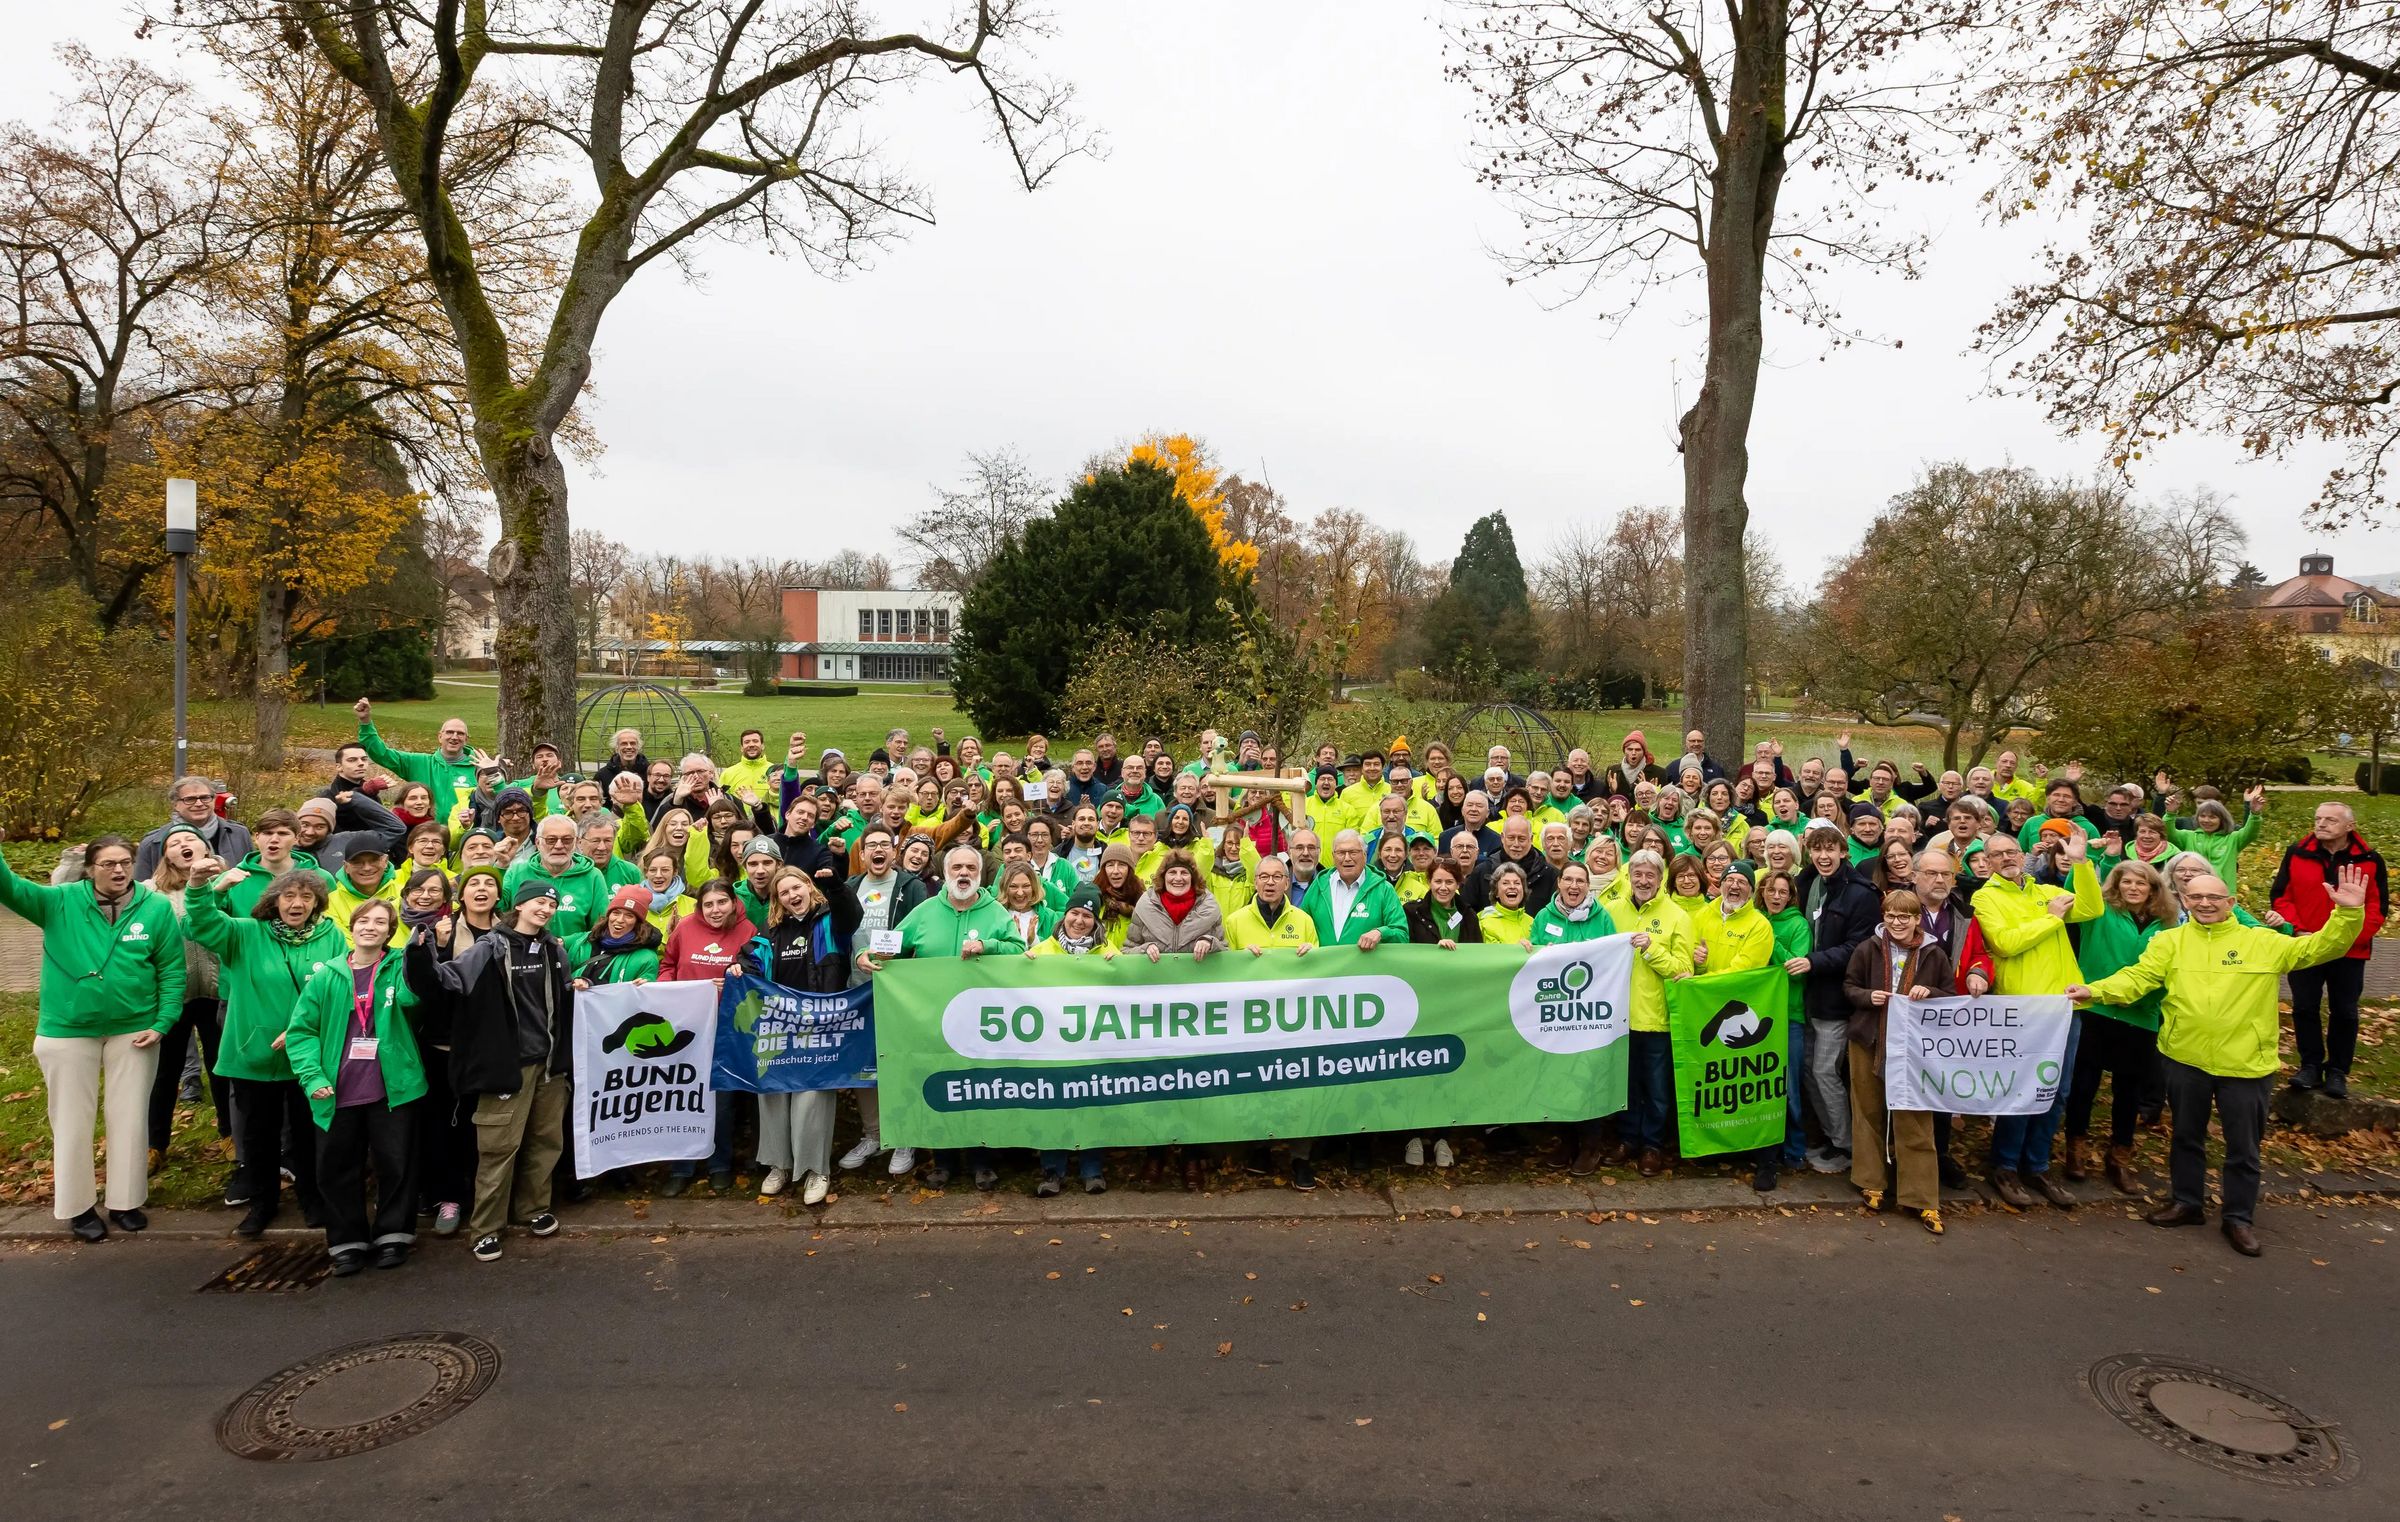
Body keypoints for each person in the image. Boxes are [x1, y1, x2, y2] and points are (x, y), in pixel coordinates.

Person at [2069, 865, 2370, 1257]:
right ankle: (2187, 1202)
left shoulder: (2263, 942)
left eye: (2214, 897)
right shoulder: (2169, 942)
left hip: (2245, 1063)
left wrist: (2347, 913)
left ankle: (2239, 1218)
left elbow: (2319, 948)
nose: (2205, 903)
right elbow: (2136, 978)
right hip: (2185, 1057)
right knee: (2186, 1137)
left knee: (2243, 1148)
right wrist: (2093, 991)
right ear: (2184, 901)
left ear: (2231, 902)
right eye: (2195, 897)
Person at [1, 836, 184, 1241]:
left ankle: (125, 1201)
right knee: (71, 1122)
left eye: (124, 863)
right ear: (89, 867)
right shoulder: (58, 901)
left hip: (135, 1030)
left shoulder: (154, 908)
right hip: (67, 1030)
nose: (117, 871)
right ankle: (78, 1207)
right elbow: (8, 887)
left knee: (130, 1118)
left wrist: (164, 1021)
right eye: (107, 864)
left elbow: (172, 969)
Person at [404, 880, 577, 1263]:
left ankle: (533, 1209)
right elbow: (447, 981)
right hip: (507, 1067)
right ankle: (485, 1228)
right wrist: (419, 954)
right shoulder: (491, 947)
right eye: (537, 902)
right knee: (498, 1149)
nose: (545, 909)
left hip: (550, 1065)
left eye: (550, 904)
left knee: (547, 1142)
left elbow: (563, 994)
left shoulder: (554, 949)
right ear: (519, 905)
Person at [189, 861, 348, 1236]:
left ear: (317, 903)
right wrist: (205, 887)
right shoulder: (244, 933)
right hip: (253, 1055)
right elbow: (199, 923)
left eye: (306, 897)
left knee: (310, 1134)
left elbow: (337, 992)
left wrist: (300, 1031)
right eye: (289, 895)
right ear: (273, 901)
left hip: (308, 1058)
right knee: (258, 1137)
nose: (297, 903)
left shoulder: (331, 937)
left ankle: (313, 1199)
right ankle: (263, 1204)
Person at [856, 844, 1026, 1189]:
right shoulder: (925, 911)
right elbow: (892, 945)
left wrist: (989, 947)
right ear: (945, 873)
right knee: (939, 1088)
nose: (963, 873)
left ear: (980, 874)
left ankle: (983, 1162)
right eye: (957, 868)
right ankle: (943, 1161)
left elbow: (1020, 951)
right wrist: (864, 953)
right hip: (931, 1021)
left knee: (979, 1090)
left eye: (970, 868)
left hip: (982, 1022)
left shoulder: (995, 912)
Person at [284, 898, 425, 1273]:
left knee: (395, 1163)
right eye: (364, 920)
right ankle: (346, 1241)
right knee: (337, 1167)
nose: (370, 927)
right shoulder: (327, 976)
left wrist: (419, 958)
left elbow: (414, 998)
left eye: (381, 922)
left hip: (392, 1086)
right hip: (337, 1088)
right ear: (352, 925)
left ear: (390, 931)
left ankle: (393, 1235)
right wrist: (312, 1076)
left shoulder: (396, 967)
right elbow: (301, 1033)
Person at [1972, 829, 2102, 1210]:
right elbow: (2005, 943)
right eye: (1997, 855)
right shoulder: (1985, 897)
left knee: (2057, 1091)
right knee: (2022, 1090)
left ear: (2022, 854)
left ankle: (2038, 1165)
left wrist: (2081, 863)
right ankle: (2006, 1165)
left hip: (2064, 1007)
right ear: (1989, 863)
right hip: (2023, 1009)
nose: (2006, 858)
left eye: (2011, 851)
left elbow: (2092, 909)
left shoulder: (2045, 890)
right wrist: (2050, 920)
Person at [1843, 889, 1953, 1235]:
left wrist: (1929, 994)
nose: (1896, 922)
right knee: (1867, 1111)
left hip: (1913, 1048)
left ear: (1917, 919)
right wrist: (1867, 996)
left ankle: (1922, 1197)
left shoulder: (1933, 954)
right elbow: (1849, 986)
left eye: (1904, 916)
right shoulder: (1867, 948)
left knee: (1914, 1117)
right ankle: (1870, 1180)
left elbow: (1949, 996)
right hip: (1868, 1039)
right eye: (1890, 916)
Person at [2062, 862, 2176, 1195]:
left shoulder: (2168, 927)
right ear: (2116, 884)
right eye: (2126, 881)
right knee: (2084, 1085)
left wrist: (2144, 999)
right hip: (2094, 1006)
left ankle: (2119, 1157)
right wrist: (2080, 862)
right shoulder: (2100, 914)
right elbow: (2077, 893)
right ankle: (2076, 1150)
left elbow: (2168, 973)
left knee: (2129, 1091)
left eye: (2141, 883)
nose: (2133, 888)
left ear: (2154, 889)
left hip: (2140, 1014)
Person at [753, 866, 861, 1204]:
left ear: (808, 886)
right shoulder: (772, 930)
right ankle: (778, 1165)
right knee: (771, 1095)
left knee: (811, 1099)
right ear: (778, 900)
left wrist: (835, 884)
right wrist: (739, 966)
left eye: (795, 887)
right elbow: (752, 956)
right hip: (779, 1027)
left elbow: (851, 913)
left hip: (820, 1028)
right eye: (783, 893)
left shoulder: (831, 921)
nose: (791, 896)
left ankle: (815, 1170)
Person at [2270, 801, 2388, 1098]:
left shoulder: (2371, 860)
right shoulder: (2297, 852)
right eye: (2318, 818)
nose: (2321, 824)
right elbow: (2281, 896)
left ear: (2350, 826)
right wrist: (2298, 930)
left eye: (2330, 820)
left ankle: (2337, 1071)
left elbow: (2377, 907)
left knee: (2345, 1011)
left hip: (2350, 951)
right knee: (2304, 1007)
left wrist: (2349, 938)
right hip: (2305, 945)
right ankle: (2309, 1065)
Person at [657, 878, 761, 1196]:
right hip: (686, 1026)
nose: (715, 910)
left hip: (727, 1029)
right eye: (708, 904)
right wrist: (669, 989)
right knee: (684, 1097)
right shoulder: (685, 928)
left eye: (721, 902)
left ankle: (720, 1164)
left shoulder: (748, 931)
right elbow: (668, 965)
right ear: (700, 907)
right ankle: (681, 1167)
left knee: (722, 1102)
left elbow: (757, 972)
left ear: (733, 902)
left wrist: (735, 980)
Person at [1792, 821, 1882, 1175]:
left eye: (1831, 849)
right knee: (1810, 1071)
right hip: (1808, 996)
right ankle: (1832, 1137)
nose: (1823, 856)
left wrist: (1813, 962)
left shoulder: (1860, 894)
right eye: (1817, 849)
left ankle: (1846, 1145)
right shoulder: (1808, 884)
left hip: (1836, 999)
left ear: (1844, 852)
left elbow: (1857, 948)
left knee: (1825, 1071)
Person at [143, 827, 232, 1170]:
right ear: (166, 855)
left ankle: (229, 1134)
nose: (183, 845)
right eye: (174, 843)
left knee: (220, 1066)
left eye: (190, 840)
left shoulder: (226, 882)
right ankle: (155, 1144)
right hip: (171, 996)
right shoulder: (150, 892)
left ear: (205, 847)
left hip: (216, 992)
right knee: (165, 1071)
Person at [1613, 849, 1695, 1176]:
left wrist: (1651, 949)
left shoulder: (1677, 916)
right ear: (1629, 876)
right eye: (1638, 874)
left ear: (1661, 879)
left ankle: (1652, 1146)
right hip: (1617, 1018)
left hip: (1657, 1018)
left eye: (1650, 875)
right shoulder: (1611, 911)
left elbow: (1683, 969)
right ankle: (1628, 1139)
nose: (1643, 880)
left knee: (1658, 1090)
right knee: (1626, 1086)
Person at [133, 774, 252, 879]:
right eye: (190, 799)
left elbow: (252, 877)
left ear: (214, 800)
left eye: (205, 798)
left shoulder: (239, 834)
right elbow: (142, 892)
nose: (199, 804)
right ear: (175, 804)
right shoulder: (153, 843)